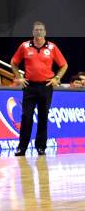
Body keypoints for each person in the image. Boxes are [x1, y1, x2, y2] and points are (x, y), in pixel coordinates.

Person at [11, 21, 68, 156]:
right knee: (26, 117)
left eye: (41, 30)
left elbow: (64, 65)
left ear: (45, 32)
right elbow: (14, 63)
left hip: (46, 86)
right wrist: (19, 77)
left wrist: (57, 78)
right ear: (33, 32)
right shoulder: (24, 46)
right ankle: (22, 148)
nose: (39, 32)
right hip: (29, 86)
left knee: (43, 117)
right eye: (36, 30)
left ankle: (41, 147)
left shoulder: (52, 47)